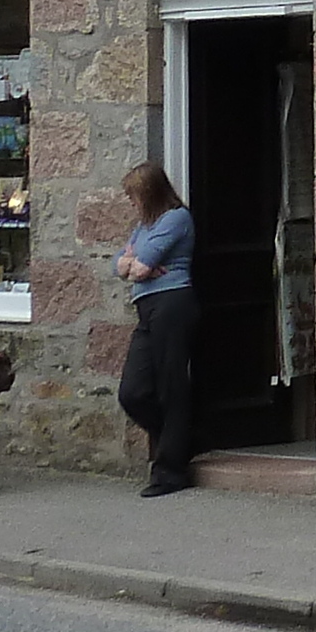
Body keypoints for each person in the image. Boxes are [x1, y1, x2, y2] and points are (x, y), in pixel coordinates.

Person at [113, 160, 199, 496]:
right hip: (147, 309)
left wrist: (138, 264)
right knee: (133, 392)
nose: (131, 203)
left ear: (150, 194)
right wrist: (132, 263)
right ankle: (181, 440)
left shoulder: (176, 218)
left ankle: (170, 471)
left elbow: (142, 265)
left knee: (170, 386)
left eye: (134, 196)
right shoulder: (143, 226)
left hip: (172, 304)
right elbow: (119, 266)